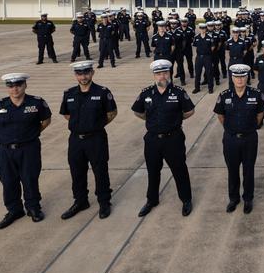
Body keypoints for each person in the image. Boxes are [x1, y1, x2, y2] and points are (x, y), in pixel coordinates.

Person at [0, 73, 51, 229]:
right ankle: (14, 210)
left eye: (18, 85)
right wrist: (6, 139)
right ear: (7, 88)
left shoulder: (36, 103)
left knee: (30, 178)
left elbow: (46, 120)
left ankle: (33, 208)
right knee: (8, 181)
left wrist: (31, 135)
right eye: (11, 86)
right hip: (6, 151)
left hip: (29, 149)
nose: (15, 89)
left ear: (25, 85)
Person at [131, 59, 195, 217]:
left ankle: (186, 199)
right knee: (153, 171)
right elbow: (138, 112)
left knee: (179, 170)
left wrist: (174, 121)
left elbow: (189, 111)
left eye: (165, 73)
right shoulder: (146, 93)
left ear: (170, 74)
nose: (162, 76)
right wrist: (152, 122)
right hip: (152, 139)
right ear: (154, 75)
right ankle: (152, 200)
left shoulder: (179, 92)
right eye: (158, 73)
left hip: (173, 139)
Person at [59, 61, 117, 220]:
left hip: (96, 138)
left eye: (86, 73)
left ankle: (104, 202)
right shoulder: (69, 93)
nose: (83, 77)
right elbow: (66, 114)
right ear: (75, 75)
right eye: (79, 73)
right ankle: (80, 201)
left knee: (100, 171)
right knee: (76, 171)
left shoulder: (103, 92)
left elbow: (112, 113)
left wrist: (95, 125)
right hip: (76, 140)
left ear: (92, 73)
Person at [214, 64, 264, 214]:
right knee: (232, 170)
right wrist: (232, 129)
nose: (239, 79)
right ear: (232, 77)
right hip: (230, 139)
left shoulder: (256, 95)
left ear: (247, 77)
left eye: (243, 76)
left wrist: (249, 128)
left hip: (249, 138)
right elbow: (220, 115)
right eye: (237, 76)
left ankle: (248, 199)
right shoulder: (224, 95)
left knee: (248, 170)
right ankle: (234, 198)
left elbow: (260, 115)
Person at [192, 23, 214, 94]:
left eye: (204, 28)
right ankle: (197, 88)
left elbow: (212, 47)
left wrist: (207, 52)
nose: (202, 30)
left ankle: (210, 88)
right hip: (199, 57)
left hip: (207, 57)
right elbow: (195, 46)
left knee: (209, 73)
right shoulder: (196, 37)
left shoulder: (209, 37)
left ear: (206, 29)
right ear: (199, 29)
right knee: (198, 73)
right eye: (201, 28)